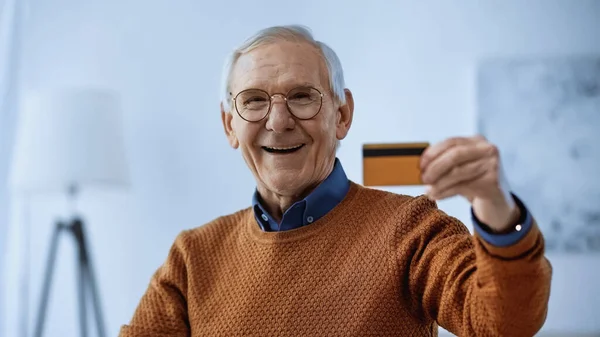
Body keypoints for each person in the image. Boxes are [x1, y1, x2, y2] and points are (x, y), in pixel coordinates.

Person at [120, 25, 552, 337]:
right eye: (253, 101)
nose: (278, 121)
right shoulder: (193, 256)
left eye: (302, 96)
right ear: (229, 125)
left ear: (342, 114)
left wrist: (495, 207)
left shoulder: (412, 228)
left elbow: (505, 322)